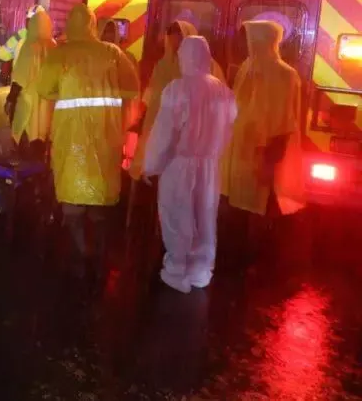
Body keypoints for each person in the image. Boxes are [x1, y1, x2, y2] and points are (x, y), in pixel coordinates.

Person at [36, 4, 140, 277]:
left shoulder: (61, 54)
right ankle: (100, 249)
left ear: (71, 25)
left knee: (72, 194)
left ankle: (82, 250)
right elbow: (132, 87)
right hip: (106, 136)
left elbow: (44, 89)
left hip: (71, 136)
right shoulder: (112, 53)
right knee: (100, 196)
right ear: (93, 25)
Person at [142, 36, 237, 293]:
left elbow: (164, 133)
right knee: (205, 215)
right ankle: (200, 270)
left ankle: (176, 270)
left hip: (179, 164)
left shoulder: (177, 89)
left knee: (177, 214)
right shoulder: (223, 92)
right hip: (209, 166)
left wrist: (151, 165)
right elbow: (229, 131)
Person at [220, 20, 305, 220]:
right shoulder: (247, 67)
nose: (243, 43)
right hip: (239, 153)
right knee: (236, 211)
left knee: (259, 211)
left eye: (247, 38)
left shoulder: (284, 74)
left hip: (262, 156)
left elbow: (285, 123)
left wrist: (268, 165)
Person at [131, 21, 225, 180]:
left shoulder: (206, 65)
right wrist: (140, 118)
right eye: (172, 38)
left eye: (179, 39)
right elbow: (151, 93)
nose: (175, 43)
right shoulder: (162, 64)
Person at [4, 6, 56, 151]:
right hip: (47, 106)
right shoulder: (54, 47)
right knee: (42, 143)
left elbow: (20, 77)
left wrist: (10, 99)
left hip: (28, 104)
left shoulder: (29, 46)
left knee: (24, 140)